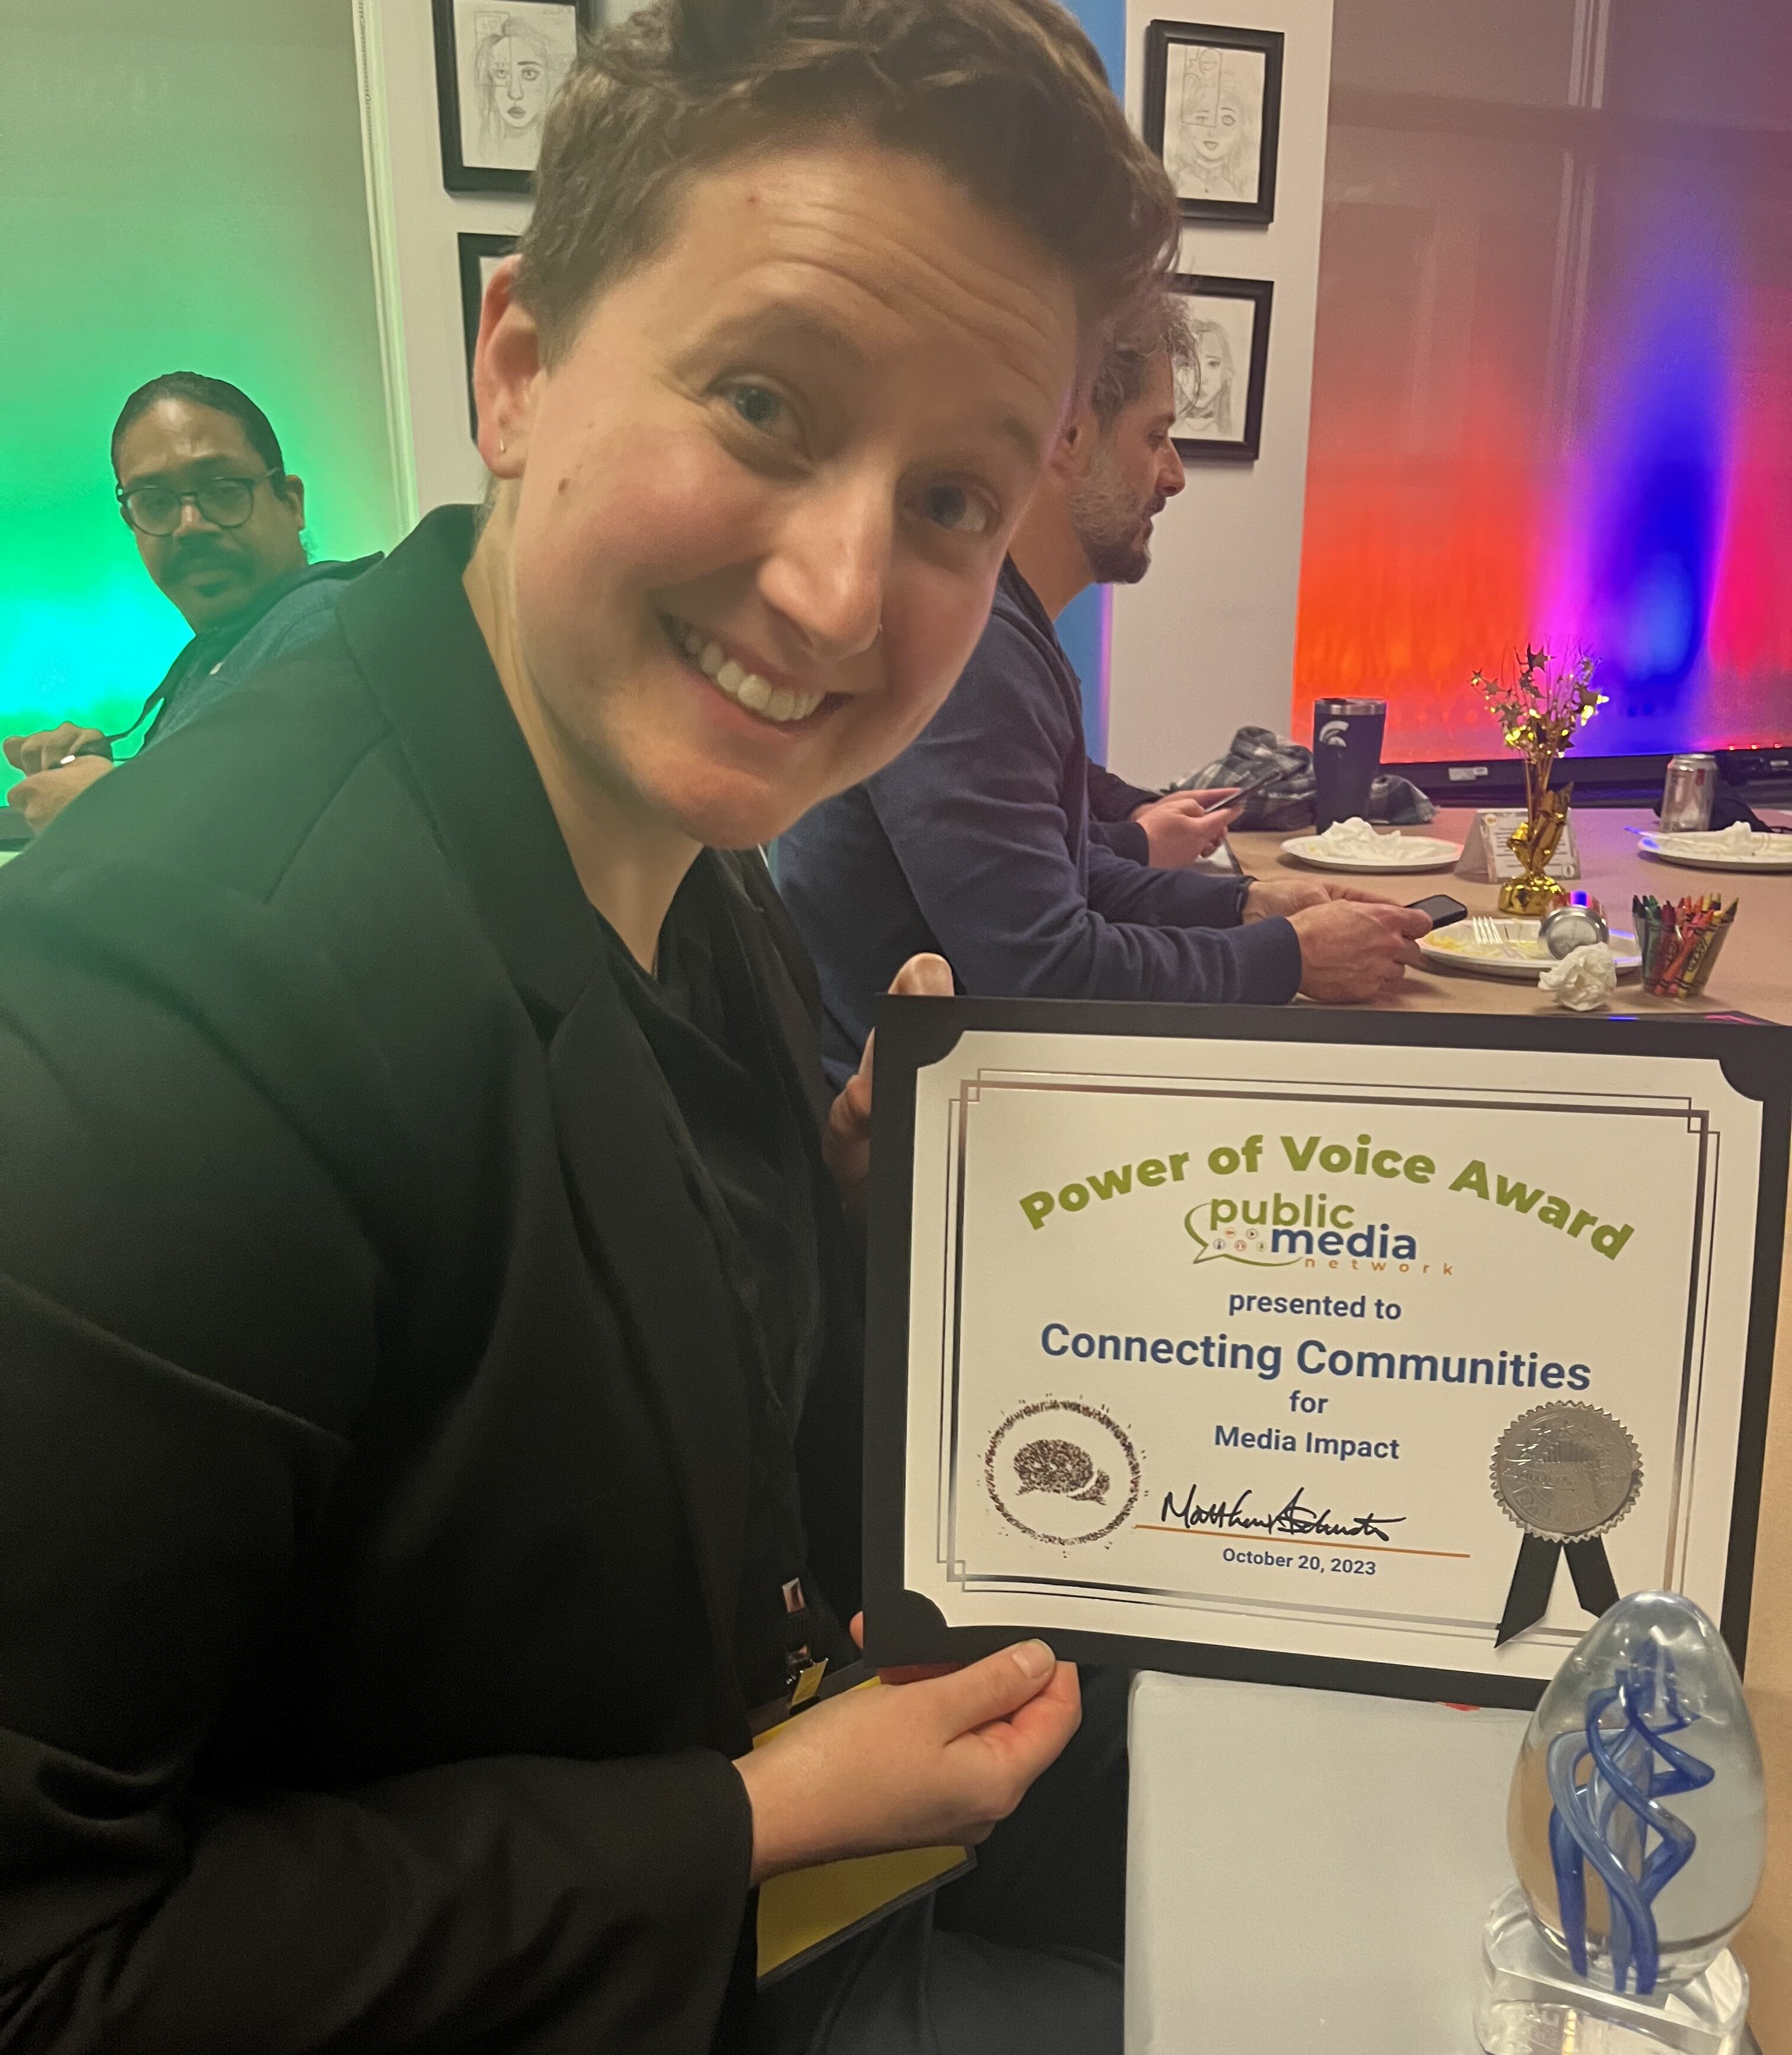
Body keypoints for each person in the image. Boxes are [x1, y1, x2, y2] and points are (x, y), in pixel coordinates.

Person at [0, 0, 1176, 2048]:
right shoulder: (166, 1015)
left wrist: (824, 1205)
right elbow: (48, 1963)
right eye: (763, 402)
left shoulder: (673, 830)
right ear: (519, 365)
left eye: (950, 499)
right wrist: (747, 1820)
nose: (837, 595)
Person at [777, 293, 1431, 1086]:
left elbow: (1065, 875)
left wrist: (1246, 907)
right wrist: (1289, 958)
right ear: (1069, 435)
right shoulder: (976, 655)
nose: (1174, 475)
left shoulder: (1000, 628)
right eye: (1155, 436)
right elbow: (1046, 971)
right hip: (909, 1125)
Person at [2, 373, 379, 833]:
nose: (189, 525)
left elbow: (296, 852)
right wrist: (105, 773)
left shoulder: (329, 631)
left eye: (222, 489)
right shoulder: (231, 648)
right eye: (154, 501)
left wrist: (105, 810)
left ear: (290, 502)